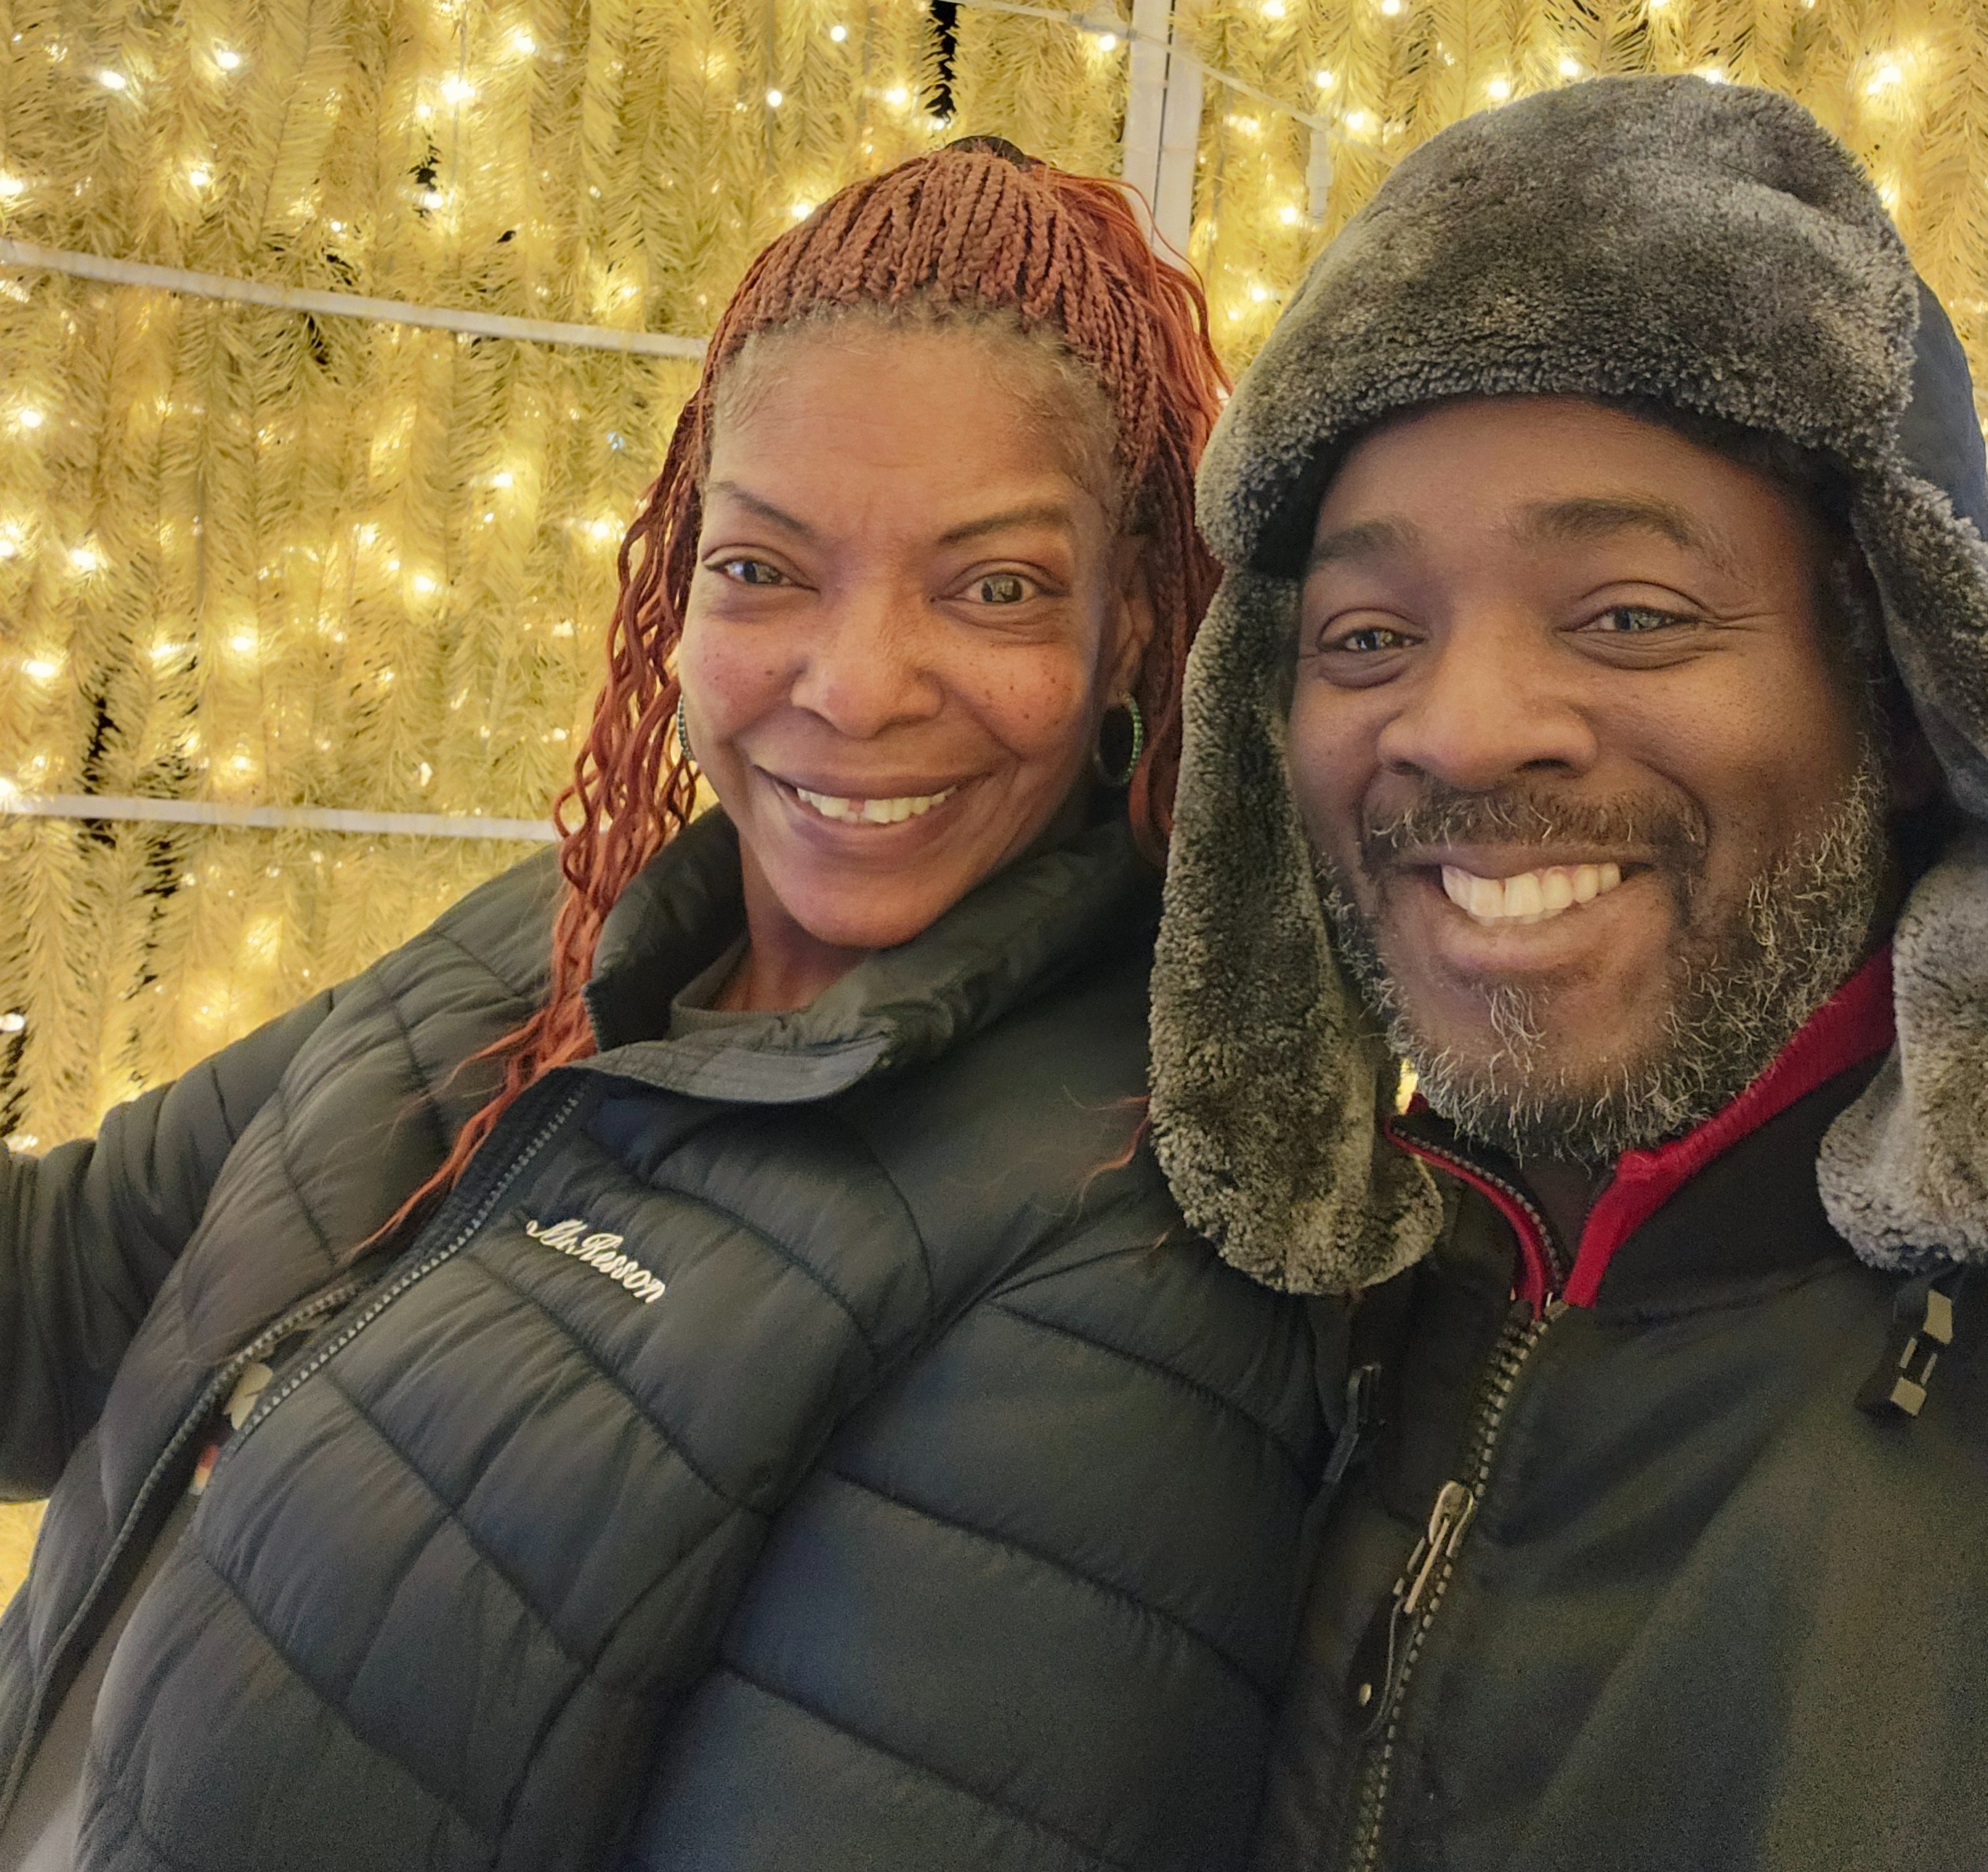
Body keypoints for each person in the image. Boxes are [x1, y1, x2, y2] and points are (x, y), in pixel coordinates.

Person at [0, 136, 1329, 1872]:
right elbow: (55, 1304)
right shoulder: (539, 946)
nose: (853, 688)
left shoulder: (1120, 1235)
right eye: (766, 569)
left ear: (1136, 625)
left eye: (993, 587)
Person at [1147, 74, 1988, 1872]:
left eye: (1629, 615)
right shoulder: (1253, 1322)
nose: (1460, 730)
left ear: (1908, 704)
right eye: (1370, 635)